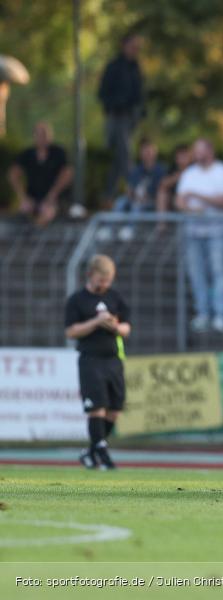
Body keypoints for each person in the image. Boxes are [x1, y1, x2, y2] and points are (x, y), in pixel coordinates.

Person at [64, 255, 131, 471]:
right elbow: (72, 331)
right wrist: (96, 322)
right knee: (97, 408)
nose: (105, 285)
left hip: (113, 360)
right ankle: (102, 454)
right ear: (90, 275)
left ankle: (91, 452)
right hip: (90, 360)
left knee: (115, 409)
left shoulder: (115, 298)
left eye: (108, 280)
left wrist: (113, 326)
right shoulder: (77, 300)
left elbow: (126, 328)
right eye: (101, 280)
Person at [175, 138, 223, 334]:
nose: (197, 154)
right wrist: (190, 208)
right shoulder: (189, 173)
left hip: (217, 231)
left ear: (210, 151)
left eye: (200, 151)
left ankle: (220, 315)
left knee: (219, 272)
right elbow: (179, 200)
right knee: (196, 273)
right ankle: (203, 313)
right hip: (193, 231)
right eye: (195, 151)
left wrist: (197, 196)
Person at [98, 31, 143, 203]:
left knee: (120, 157)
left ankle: (109, 194)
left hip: (130, 118)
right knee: (125, 153)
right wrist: (117, 103)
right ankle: (134, 189)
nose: (135, 50)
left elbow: (139, 93)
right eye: (132, 47)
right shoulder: (114, 67)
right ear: (124, 46)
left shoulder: (135, 67)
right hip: (116, 116)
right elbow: (103, 94)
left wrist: (139, 110)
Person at [7, 121, 73, 226]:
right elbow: (13, 174)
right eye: (39, 134)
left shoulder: (58, 153)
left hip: (56, 199)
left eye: (45, 134)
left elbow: (67, 174)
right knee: (23, 211)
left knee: (47, 213)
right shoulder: (28, 154)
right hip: (33, 197)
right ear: (34, 136)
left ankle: (37, 233)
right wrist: (23, 196)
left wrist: (52, 195)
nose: (42, 137)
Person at [115, 138, 165, 213]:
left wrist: (145, 199)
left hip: (152, 201)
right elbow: (129, 189)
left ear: (155, 151)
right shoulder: (136, 170)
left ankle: (132, 225)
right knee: (120, 201)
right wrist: (133, 196)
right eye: (144, 151)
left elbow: (162, 191)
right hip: (136, 199)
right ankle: (113, 224)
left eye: (149, 150)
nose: (147, 153)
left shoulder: (162, 170)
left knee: (136, 206)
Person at [155, 144, 192, 213]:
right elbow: (162, 184)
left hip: (190, 197)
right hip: (174, 198)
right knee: (162, 194)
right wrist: (176, 177)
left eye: (185, 156)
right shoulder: (172, 169)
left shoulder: (195, 169)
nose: (183, 159)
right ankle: (161, 222)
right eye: (181, 156)